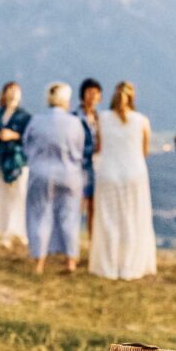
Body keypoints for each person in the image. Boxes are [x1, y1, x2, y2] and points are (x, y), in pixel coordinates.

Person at [89, 81, 156, 280]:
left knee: (109, 221)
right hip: (134, 174)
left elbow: (98, 147)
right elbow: (144, 151)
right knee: (133, 220)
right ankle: (129, 267)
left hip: (108, 173)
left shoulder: (102, 118)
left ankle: (109, 265)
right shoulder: (141, 120)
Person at [23, 82, 86, 275]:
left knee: (39, 216)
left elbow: (27, 145)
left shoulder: (36, 121)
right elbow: (79, 149)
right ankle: (70, 261)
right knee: (69, 217)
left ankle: (39, 262)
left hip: (41, 173)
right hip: (69, 174)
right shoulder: (74, 123)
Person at [0, 82, 32, 248]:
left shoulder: (24, 116)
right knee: (2, 195)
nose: (13, 94)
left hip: (17, 160)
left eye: (16, 91)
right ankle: (3, 228)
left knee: (18, 195)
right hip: (0, 157)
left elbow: (30, 138)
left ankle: (18, 230)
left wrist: (14, 135)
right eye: (10, 90)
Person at [75, 78, 102, 238]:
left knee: (94, 206)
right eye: (89, 92)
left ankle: (93, 242)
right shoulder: (75, 117)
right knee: (78, 205)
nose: (93, 96)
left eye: (96, 93)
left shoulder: (100, 118)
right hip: (79, 166)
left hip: (95, 167)